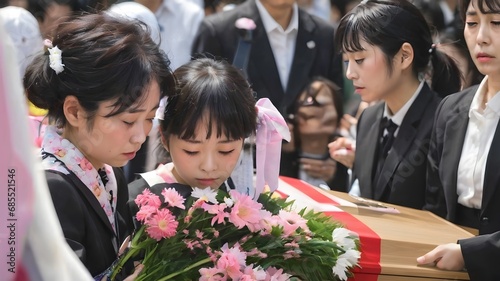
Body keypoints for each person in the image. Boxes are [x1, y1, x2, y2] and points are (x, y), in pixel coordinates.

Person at [23, 13, 175, 279]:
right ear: (75, 112)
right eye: (128, 120)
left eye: (150, 118)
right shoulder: (51, 186)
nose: (140, 136)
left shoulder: (107, 168)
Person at [328, 0, 461, 209]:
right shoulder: (369, 118)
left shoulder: (443, 123)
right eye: (347, 61)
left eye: (360, 59)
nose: (350, 73)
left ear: (404, 56)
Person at [128, 58, 289, 224]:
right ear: (164, 137)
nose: (209, 166)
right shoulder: (138, 202)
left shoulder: (247, 201)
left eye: (225, 150)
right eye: (192, 151)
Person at [417, 1, 500, 280]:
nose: (482, 37)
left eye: (497, 23)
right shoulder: (451, 108)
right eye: (472, 23)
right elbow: (435, 205)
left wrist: (471, 254)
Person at [281, 76, 348, 191]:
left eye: (321, 102)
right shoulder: (278, 157)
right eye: (306, 101)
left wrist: (337, 177)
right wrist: (287, 157)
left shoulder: (347, 159)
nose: (311, 107)